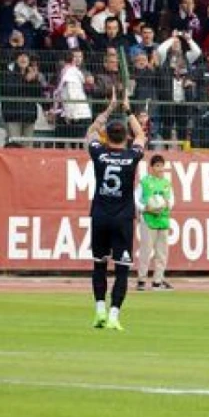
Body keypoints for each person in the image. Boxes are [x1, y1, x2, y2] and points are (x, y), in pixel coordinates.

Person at [87, 90, 147, 331]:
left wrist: (109, 109)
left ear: (106, 136)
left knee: (99, 265)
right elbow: (142, 134)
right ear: (126, 138)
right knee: (122, 269)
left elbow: (90, 132)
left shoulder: (99, 153)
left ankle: (99, 310)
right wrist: (128, 109)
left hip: (100, 215)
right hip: (122, 218)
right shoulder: (132, 156)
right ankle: (114, 314)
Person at [136, 154, 175, 291]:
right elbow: (137, 199)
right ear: (151, 167)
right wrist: (145, 208)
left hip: (163, 220)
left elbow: (171, 201)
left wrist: (165, 206)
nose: (160, 168)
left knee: (162, 252)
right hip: (148, 219)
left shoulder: (166, 183)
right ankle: (141, 280)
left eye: (161, 165)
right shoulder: (145, 182)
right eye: (157, 165)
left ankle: (157, 281)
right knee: (146, 250)